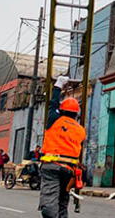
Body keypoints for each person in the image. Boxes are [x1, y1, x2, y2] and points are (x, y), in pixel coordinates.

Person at [39, 76, 86, 218]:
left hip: (52, 166)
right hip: (69, 170)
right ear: (76, 114)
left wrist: (58, 85)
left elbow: (53, 104)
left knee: (49, 201)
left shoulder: (55, 120)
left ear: (62, 110)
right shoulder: (80, 130)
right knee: (62, 202)